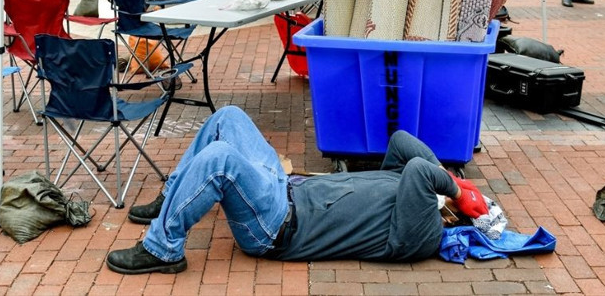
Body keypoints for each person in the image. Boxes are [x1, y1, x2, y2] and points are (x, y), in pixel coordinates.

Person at [105, 106, 487, 274]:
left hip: (276, 226)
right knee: (229, 117)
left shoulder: (419, 234)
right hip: (283, 187)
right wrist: (450, 177)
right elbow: (403, 142)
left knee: (220, 158)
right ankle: (173, 197)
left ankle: (163, 250)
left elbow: (420, 171)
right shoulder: (403, 184)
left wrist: (455, 189)